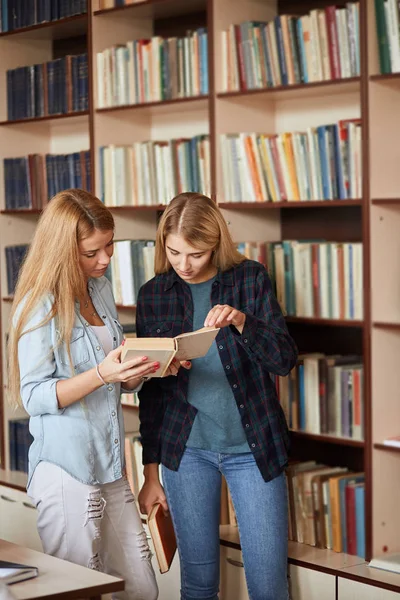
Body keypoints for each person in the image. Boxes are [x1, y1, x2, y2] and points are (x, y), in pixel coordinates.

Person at [136, 192, 298, 600]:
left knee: (267, 584)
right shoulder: (153, 294)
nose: (184, 264)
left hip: (253, 447)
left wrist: (243, 322)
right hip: (185, 451)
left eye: (196, 253)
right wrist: (150, 472)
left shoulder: (250, 278)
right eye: (174, 252)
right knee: (198, 583)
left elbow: (284, 360)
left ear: (216, 243)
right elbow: (152, 396)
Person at [7, 189, 162, 600]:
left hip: (110, 465)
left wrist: (138, 370)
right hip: (66, 471)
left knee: (142, 588)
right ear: (63, 250)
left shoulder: (100, 289)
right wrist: (100, 374)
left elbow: (113, 371)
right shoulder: (39, 305)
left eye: (109, 244)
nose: (106, 258)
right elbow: (34, 396)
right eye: (93, 251)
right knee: (78, 592)